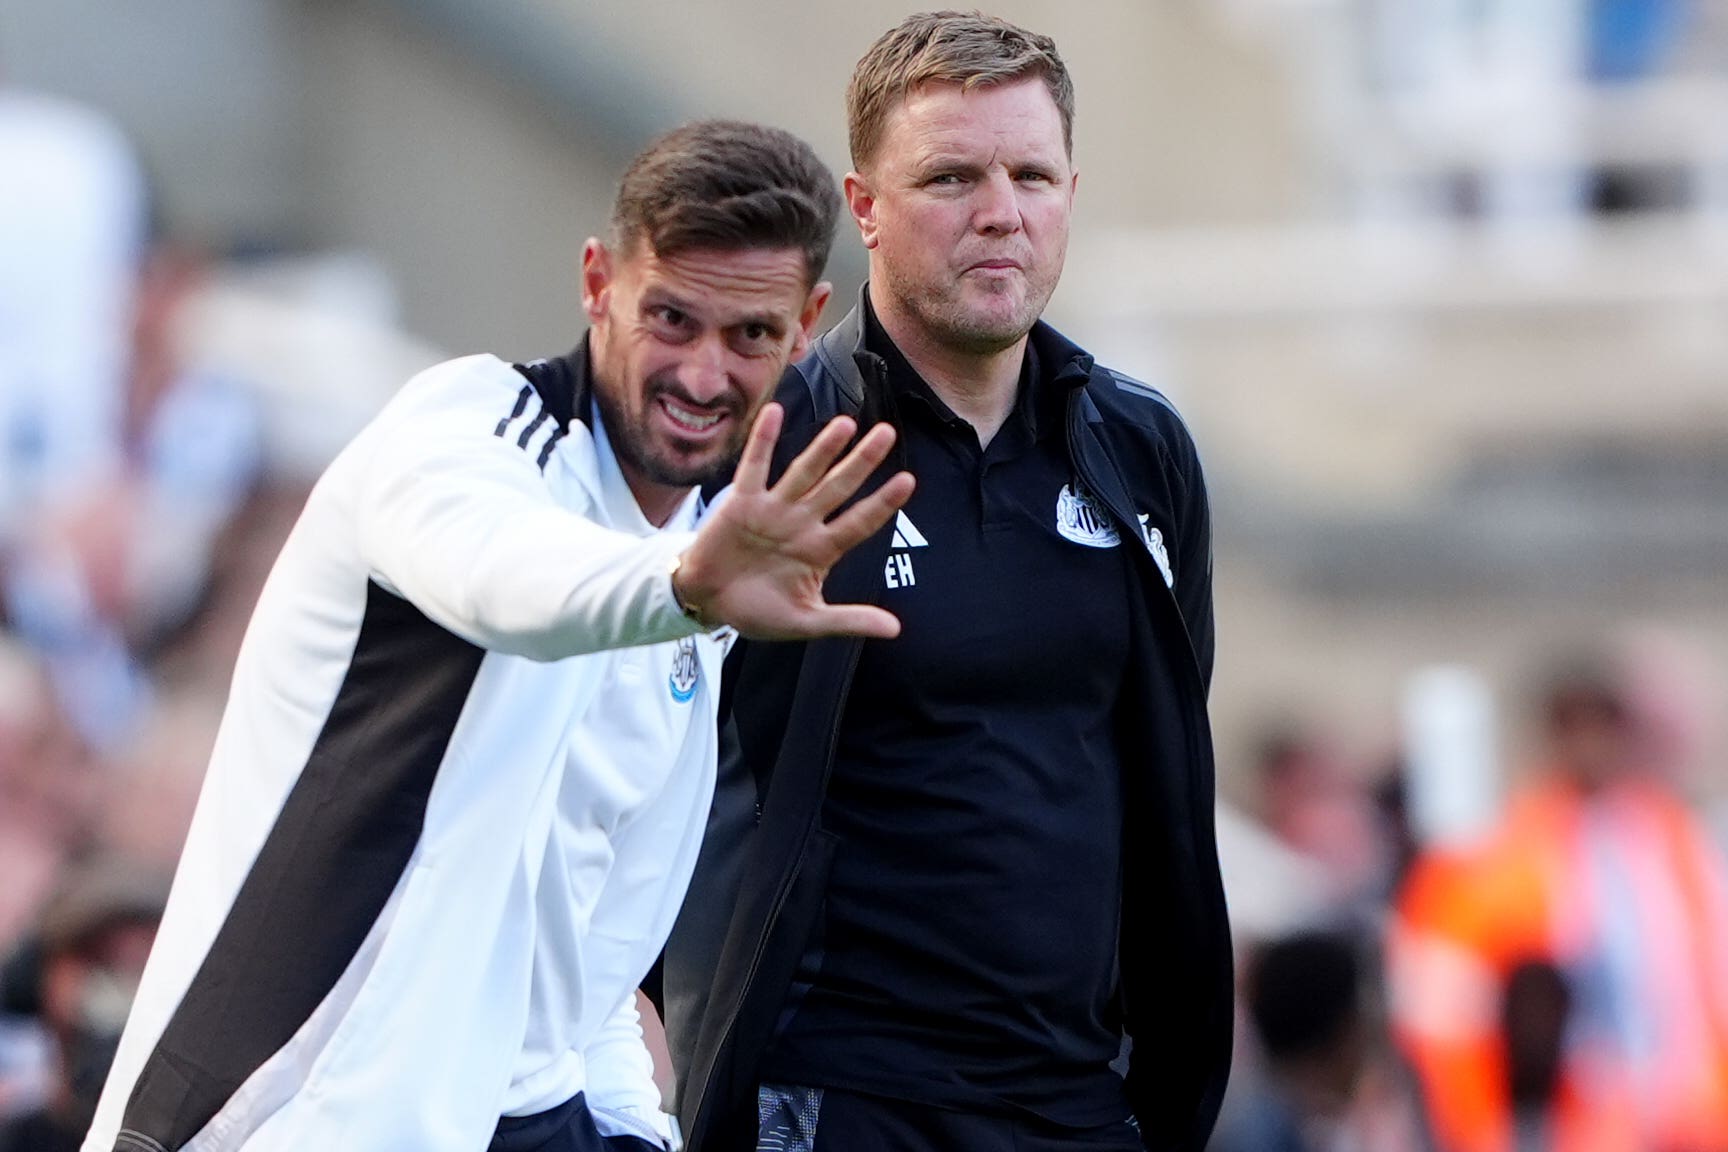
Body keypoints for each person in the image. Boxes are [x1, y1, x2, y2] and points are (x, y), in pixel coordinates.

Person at [80, 119, 914, 1152]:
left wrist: (628, 1122)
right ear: (598, 283)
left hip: (536, 1121)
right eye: (671, 319)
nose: (703, 376)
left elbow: (587, 942)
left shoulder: (703, 567)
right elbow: (506, 577)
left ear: (805, 326)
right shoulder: (468, 429)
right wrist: (684, 587)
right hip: (287, 1124)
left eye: (749, 335)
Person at [659, 14, 1232, 1152]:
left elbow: (1164, 768)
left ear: (1071, 192)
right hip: (832, 1095)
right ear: (864, 206)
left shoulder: (1140, 450)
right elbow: (635, 762)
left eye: (1032, 176)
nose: (1000, 211)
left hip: (1078, 1104)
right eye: (952, 177)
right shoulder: (768, 445)